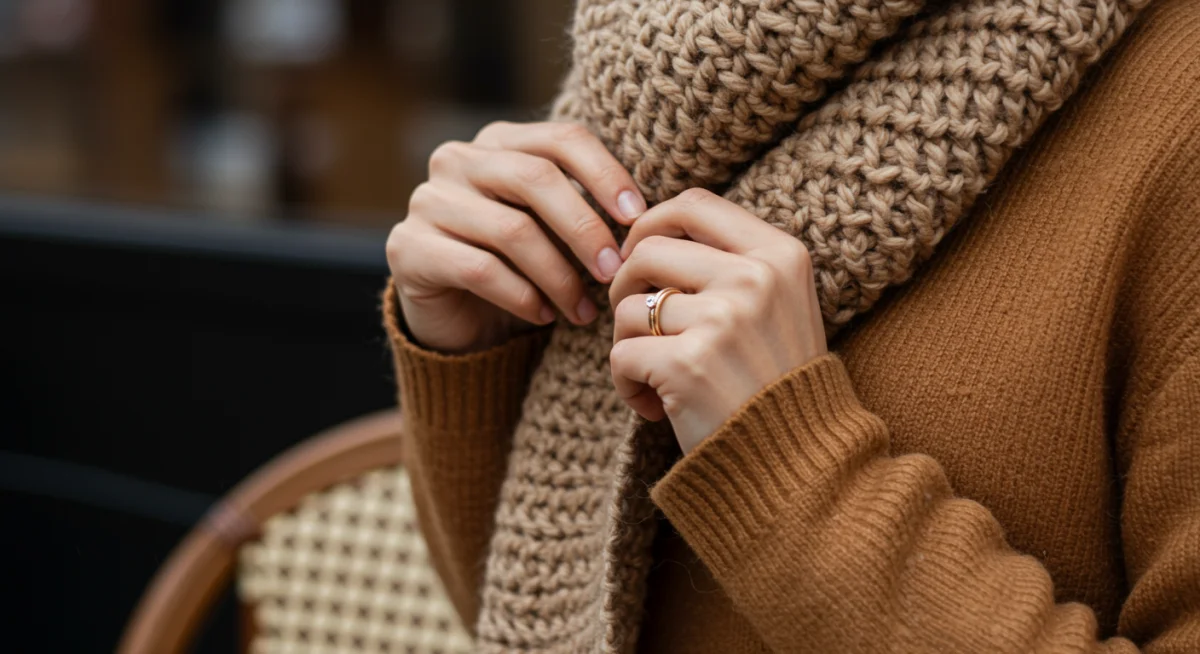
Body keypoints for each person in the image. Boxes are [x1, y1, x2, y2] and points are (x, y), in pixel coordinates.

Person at [383, 0, 1200, 651]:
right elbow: (542, 612)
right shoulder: (666, 57)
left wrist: (787, 465)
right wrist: (479, 350)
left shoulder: (1175, 105)